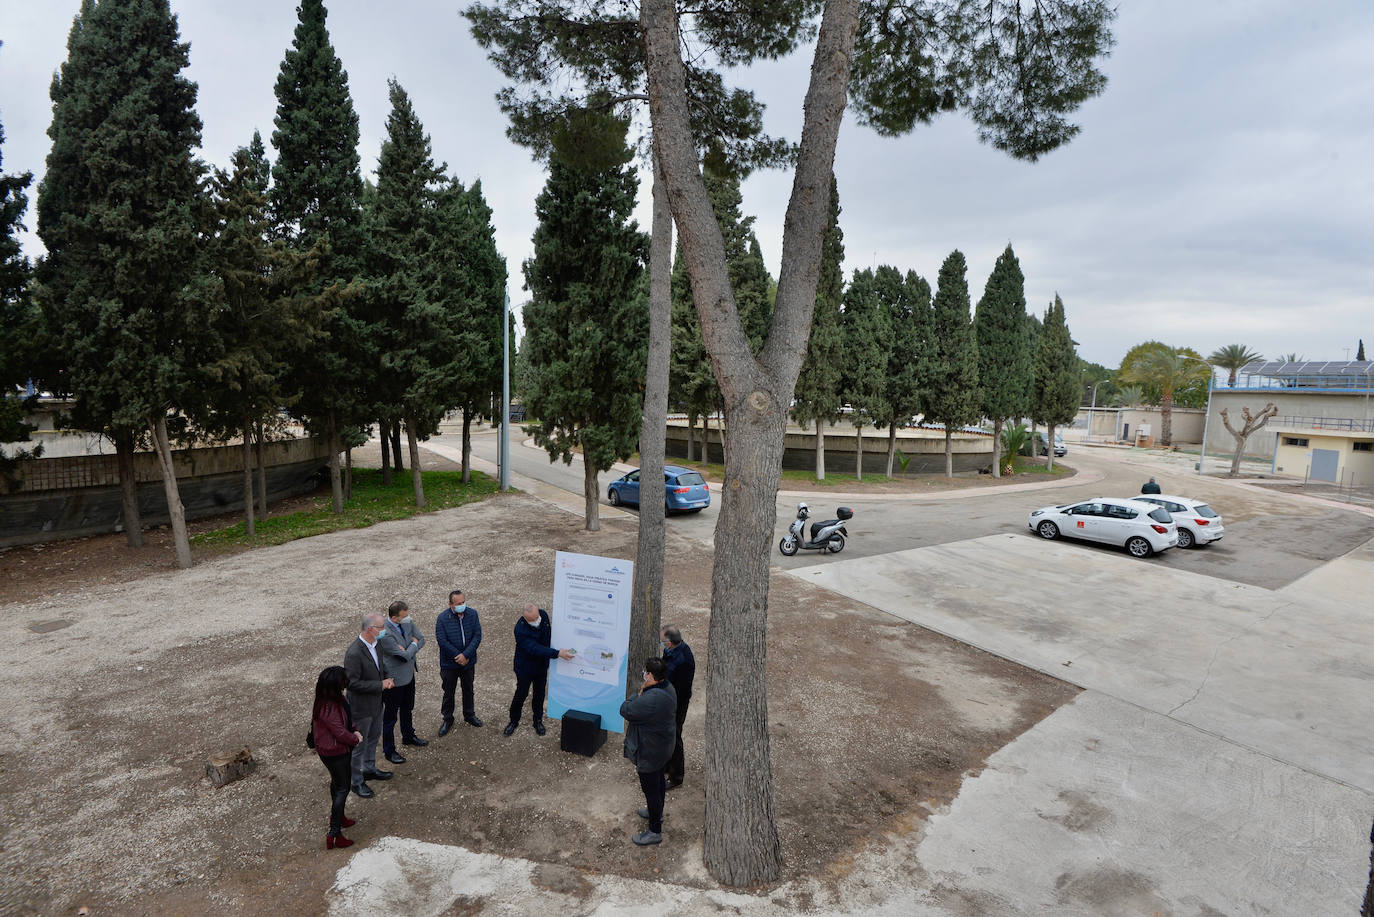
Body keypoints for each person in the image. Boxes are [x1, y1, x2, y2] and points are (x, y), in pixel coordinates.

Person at [620, 657, 677, 846]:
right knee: (659, 781)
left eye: (645, 672)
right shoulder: (668, 687)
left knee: (651, 790)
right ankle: (657, 813)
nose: (643, 675)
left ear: (651, 676)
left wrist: (637, 694)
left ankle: (655, 830)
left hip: (651, 751)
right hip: (664, 747)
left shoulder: (651, 698)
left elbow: (626, 710)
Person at [344, 613, 395, 797]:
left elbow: (380, 665)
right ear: (369, 629)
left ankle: (369, 769)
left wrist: (388, 677)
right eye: (381, 627)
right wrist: (380, 685)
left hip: (376, 704)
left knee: (373, 738)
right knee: (359, 746)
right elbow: (351, 683)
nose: (384, 631)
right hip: (361, 709)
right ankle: (356, 782)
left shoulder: (377, 644)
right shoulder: (354, 653)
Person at [504, 603, 574, 737]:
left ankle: (537, 720)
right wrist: (557, 653)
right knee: (521, 694)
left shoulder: (543, 615)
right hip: (525, 668)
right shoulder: (520, 630)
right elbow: (535, 648)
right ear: (525, 619)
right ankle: (513, 720)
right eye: (533, 619)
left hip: (541, 666)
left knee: (539, 694)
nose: (538, 620)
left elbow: (549, 637)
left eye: (538, 616)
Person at [311, 666, 362, 849]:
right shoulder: (328, 706)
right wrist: (355, 738)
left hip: (333, 750)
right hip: (335, 752)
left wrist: (355, 728)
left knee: (336, 784)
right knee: (342, 788)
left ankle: (339, 818)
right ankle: (334, 833)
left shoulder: (334, 698)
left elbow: (347, 718)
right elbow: (340, 732)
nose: (346, 682)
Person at [378, 600, 426, 764]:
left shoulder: (406, 620)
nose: (408, 619)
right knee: (390, 717)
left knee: (408, 708)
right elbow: (404, 655)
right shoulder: (384, 632)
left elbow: (421, 638)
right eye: (404, 617)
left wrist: (409, 646)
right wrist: (412, 644)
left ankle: (408, 735)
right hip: (394, 680)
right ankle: (389, 750)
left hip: (409, 675)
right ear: (394, 617)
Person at [436, 590, 483, 735]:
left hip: (468, 662)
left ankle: (469, 715)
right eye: (459, 603)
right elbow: (442, 640)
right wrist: (458, 656)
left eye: (463, 602)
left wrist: (466, 655)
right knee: (449, 692)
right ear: (451, 604)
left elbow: (477, 635)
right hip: (450, 664)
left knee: (468, 689)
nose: (462, 605)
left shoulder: (472, 614)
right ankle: (447, 719)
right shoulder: (443, 618)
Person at [660, 625, 695, 790]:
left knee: (675, 736)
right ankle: (666, 765)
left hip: (677, 704)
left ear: (670, 641)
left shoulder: (683, 660)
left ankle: (676, 776)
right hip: (669, 699)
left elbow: (674, 683)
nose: (662, 644)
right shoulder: (672, 650)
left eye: (663, 641)